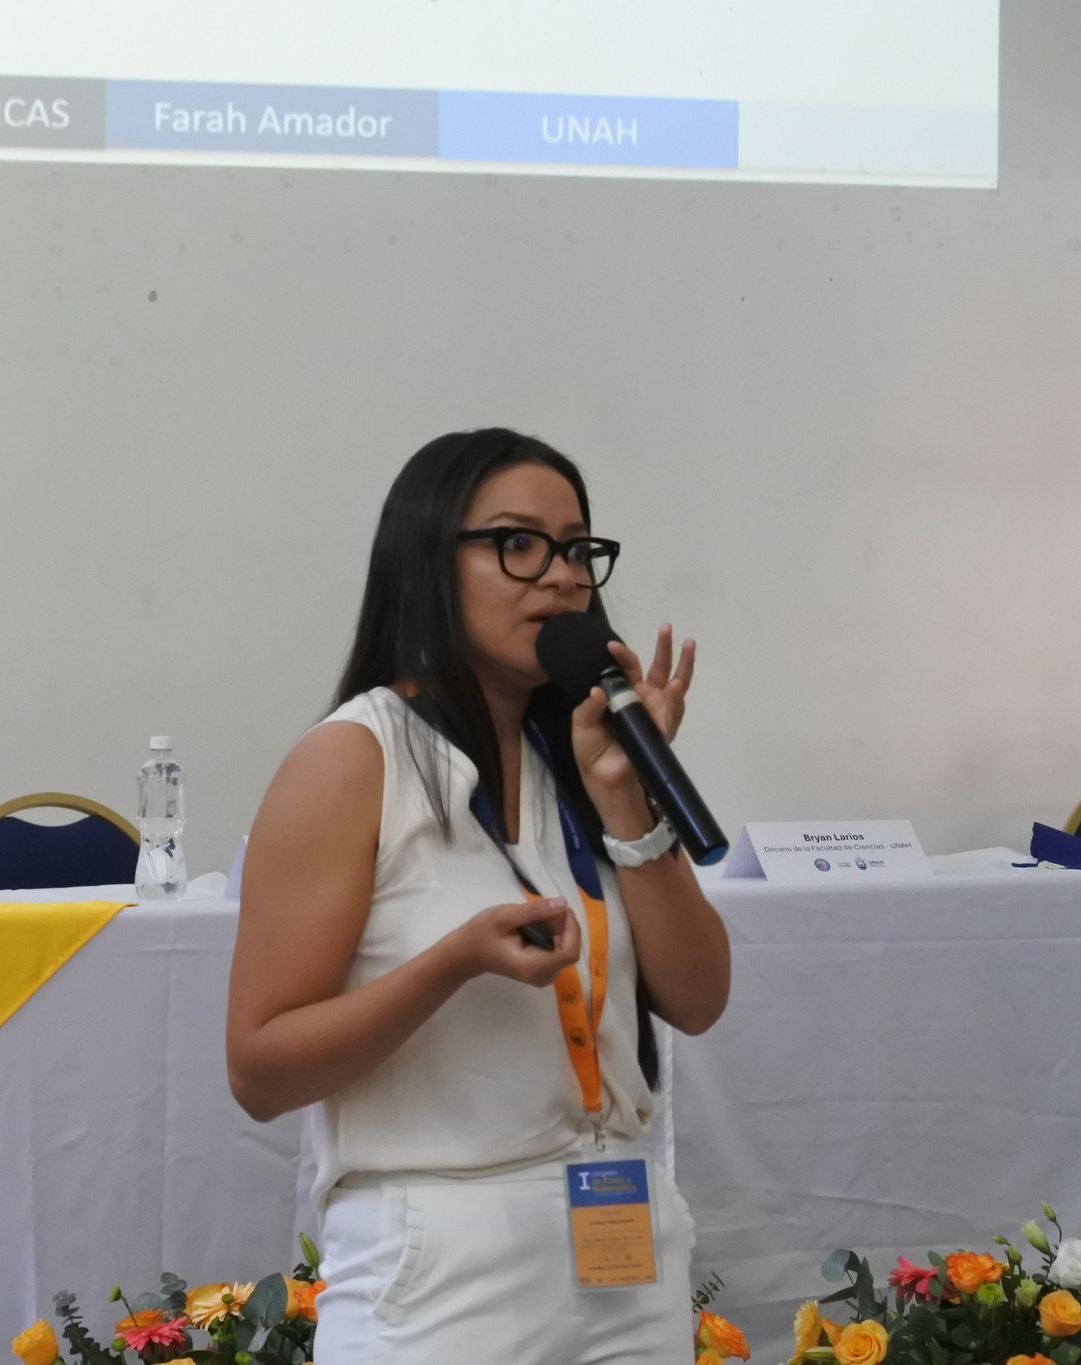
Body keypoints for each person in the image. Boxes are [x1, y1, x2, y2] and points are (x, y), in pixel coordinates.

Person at [226, 428, 731, 1363]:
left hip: (623, 1240)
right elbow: (260, 1071)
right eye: (519, 543)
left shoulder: (579, 755)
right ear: (428, 560)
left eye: (576, 547)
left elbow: (698, 998)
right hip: (444, 1259)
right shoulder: (353, 758)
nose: (562, 576)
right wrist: (453, 962)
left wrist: (627, 798)